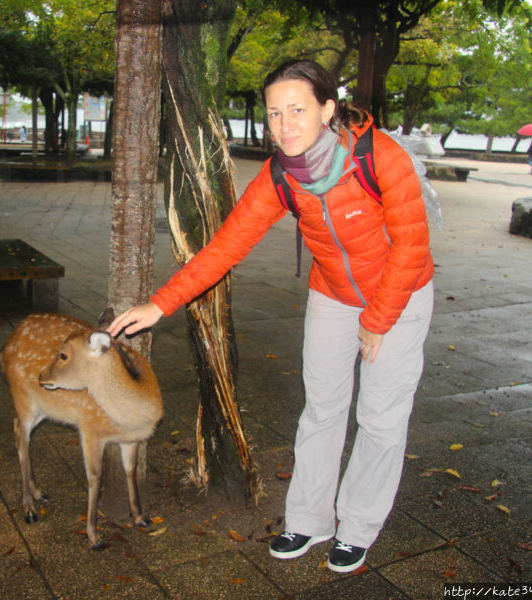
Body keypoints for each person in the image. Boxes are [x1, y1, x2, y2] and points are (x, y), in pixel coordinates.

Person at [108, 59, 434, 573]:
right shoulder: (281, 175)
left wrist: (377, 320)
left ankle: (359, 526)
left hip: (401, 292)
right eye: (275, 113)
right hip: (332, 295)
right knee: (322, 409)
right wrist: (160, 303)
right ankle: (308, 519)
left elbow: (413, 245)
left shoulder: (379, 158)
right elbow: (225, 247)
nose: (284, 125)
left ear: (327, 108)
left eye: (298, 110)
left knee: (380, 417)